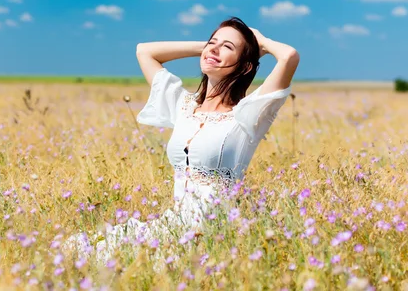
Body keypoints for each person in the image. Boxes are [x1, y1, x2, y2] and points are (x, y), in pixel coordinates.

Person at [62, 17, 300, 266]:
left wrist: (259, 41)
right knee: (81, 248)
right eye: (213, 42)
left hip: (215, 231)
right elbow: (145, 51)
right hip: (174, 225)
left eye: (228, 47)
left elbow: (288, 56)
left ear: (245, 67)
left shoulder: (248, 114)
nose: (215, 49)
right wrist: (209, 49)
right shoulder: (184, 106)